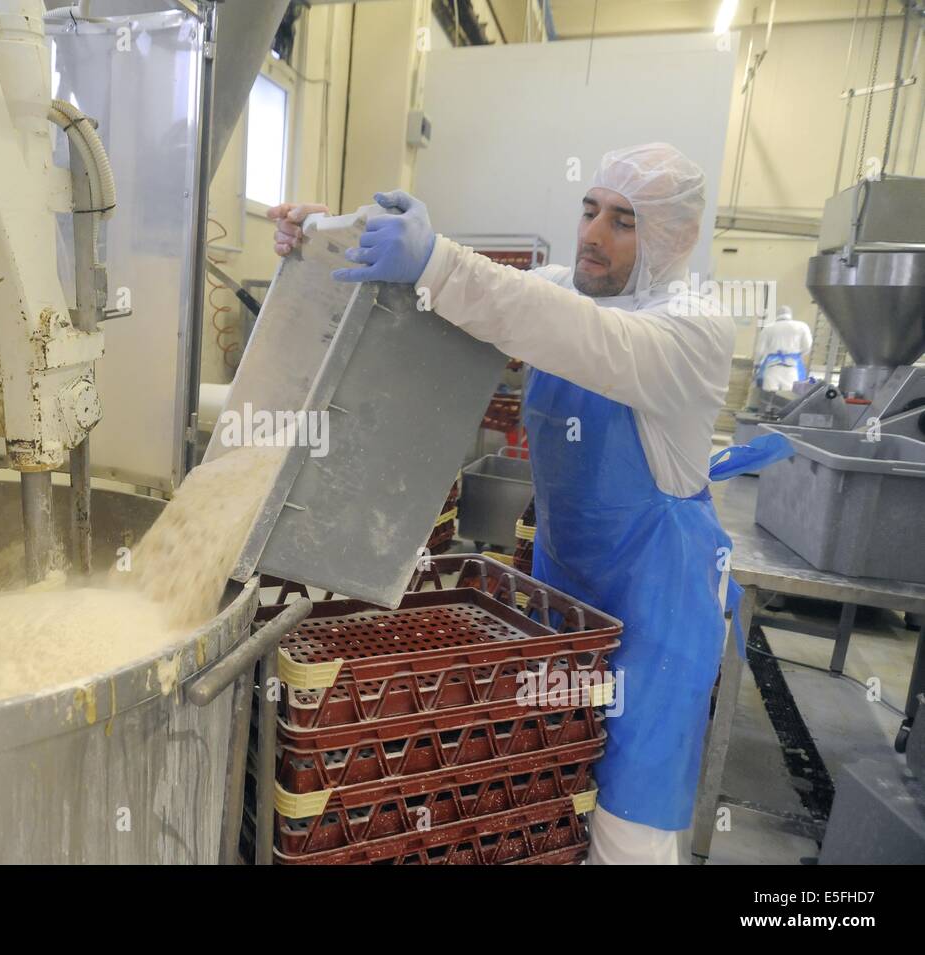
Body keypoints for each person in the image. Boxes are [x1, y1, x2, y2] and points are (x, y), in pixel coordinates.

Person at [269, 143, 746, 865]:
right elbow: (499, 298)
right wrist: (330, 236)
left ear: (672, 239)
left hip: (656, 614)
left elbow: (565, 330)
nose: (593, 233)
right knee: (544, 798)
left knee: (627, 830)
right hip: (564, 607)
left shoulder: (691, 330)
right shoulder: (564, 290)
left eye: (624, 221)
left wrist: (433, 260)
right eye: (589, 210)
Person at [753, 305, 813, 394]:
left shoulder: (767, 329)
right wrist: (797, 354)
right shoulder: (802, 326)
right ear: (790, 315)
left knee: (769, 398)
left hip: (772, 368)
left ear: (777, 316)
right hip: (792, 368)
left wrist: (757, 364)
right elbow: (807, 346)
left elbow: (759, 351)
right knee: (787, 397)